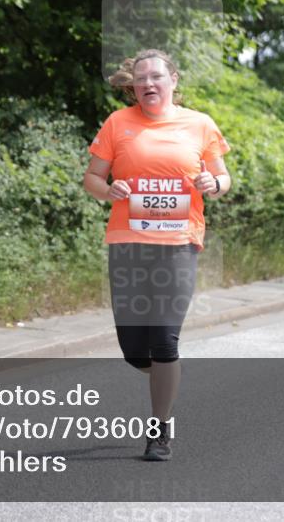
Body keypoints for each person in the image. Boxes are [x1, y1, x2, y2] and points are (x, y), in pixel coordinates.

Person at [83, 49, 231, 461]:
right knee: (135, 350)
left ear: (173, 82)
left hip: (179, 243)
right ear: (133, 87)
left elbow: (223, 177)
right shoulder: (118, 123)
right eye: (140, 79)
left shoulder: (199, 124)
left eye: (156, 77)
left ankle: (159, 427)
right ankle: (169, 375)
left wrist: (212, 182)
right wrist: (108, 189)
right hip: (128, 244)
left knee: (164, 340)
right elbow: (92, 177)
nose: (148, 84)